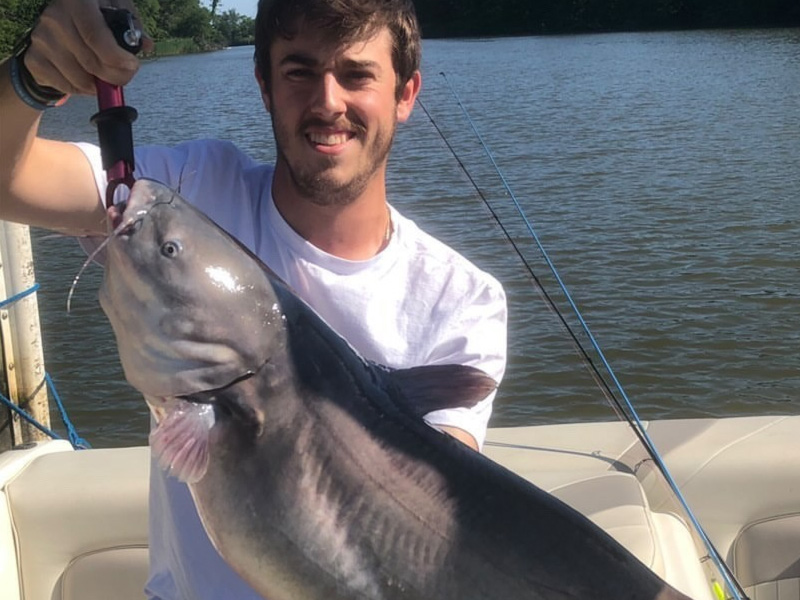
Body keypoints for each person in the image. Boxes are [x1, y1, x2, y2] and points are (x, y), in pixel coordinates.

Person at [0, 0, 507, 597]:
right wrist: (31, 78)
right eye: (298, 70)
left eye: (356, 73)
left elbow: (427, 528)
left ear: (406, 93)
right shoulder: (189, 199)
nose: (327, 101)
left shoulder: (461, 300)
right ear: (264, 86)